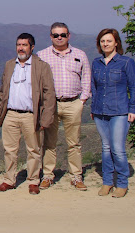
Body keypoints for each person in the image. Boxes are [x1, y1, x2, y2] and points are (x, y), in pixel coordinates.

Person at [0, 33, 56, 195]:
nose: (20, 48)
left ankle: (33, 180)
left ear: (32, 47)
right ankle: (9, 180)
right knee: (9, 149)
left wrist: (46, 117)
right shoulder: (9, 65)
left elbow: (49, 94)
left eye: (24, 45)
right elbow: (3, 90)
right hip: (11, 114)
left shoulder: (42, 67)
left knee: (34, 149)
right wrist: (2, 108)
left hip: (31, 115)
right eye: (18, 45)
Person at [37, 22, 91, 191]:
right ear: (50, 36)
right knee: (49, 142)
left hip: (73, 103)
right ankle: (48, 175)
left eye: (62, 35)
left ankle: (76, 176)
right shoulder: (42, 55)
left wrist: (82, 101)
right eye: (55, 35)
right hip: (51, 105)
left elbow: (87, 78)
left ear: (69, 35)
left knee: (74, 143)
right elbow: (37, 80)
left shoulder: (80, 55)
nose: (59, 38)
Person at [90, 28, 135, 198]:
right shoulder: (96, 63)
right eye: (102, 41)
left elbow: (133, 87)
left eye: (109, 41)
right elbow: (94, 87)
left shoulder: (126, 62)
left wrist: (133, 109)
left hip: (120, 111)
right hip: (100, 111)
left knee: (117, 148)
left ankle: (122, 183)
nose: (105, 44)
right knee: (105, 147)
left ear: (116, 42)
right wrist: (93, 108)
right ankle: (107, 181)